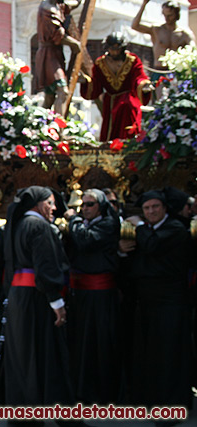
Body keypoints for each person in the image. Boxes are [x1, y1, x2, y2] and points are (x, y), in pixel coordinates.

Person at [0, 186, 75, 414]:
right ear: (38, 204)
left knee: (22, 355)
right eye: (50, 202)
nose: (55, 207)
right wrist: (56, 302)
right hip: (37, 298)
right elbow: (46, 268)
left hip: (18, 297)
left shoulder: (16, 225)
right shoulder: (38, 226)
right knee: (48, 353)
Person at [118, 190, 193, 409]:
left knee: (169, 354)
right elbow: (134, 261)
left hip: (171, 301)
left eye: (155, 207)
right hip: (147, 301)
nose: (151, 212)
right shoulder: (148, 231)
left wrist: (139, 226)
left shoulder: (175, 229)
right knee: (149, 353)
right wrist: (122, 251)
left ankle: (172, 406)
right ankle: (149, 400)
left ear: (164, 208)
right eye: (146, 208)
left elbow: (151, 245)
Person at [63, 189, 121, 404]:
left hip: (101, 296)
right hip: (81, 294)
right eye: (83, 205)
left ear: (101, 206)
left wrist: (74, 219)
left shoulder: (107, 223)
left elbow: (85, 241)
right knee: (80, 343)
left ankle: (102, 393)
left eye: (89, 205)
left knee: (100, 343)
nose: (85, 209)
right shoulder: (82, 223)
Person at [79, 32, 153, 141]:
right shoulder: (100, 63)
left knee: (127, 115)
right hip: (110, 103)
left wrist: (144, 85)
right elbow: (96, 85)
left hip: (129, 101)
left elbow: (139, 77)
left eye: (117, 49)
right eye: (111, 49)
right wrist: (85, 81)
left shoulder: (132, 60)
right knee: (110, 134)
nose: (114, 52)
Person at [34, 0, 82, 115]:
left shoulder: (57, 5)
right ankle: (58, 127)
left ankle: (39, 125)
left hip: (56, 54)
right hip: (48, 56)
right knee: (62, 91)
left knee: (49, 97)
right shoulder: (47, 10)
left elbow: (72, 5)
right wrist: (74, 44)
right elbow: (57, 35)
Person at [132, 0, 195, 85]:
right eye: (164, 15)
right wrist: (144, 4)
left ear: (177, 15)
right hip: (159, 70)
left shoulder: (185, 34)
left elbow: (193, 50)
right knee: (158, 97)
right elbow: (135, 26)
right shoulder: (157, 30)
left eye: (170, 15)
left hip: (176, 73)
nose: (167, 18)